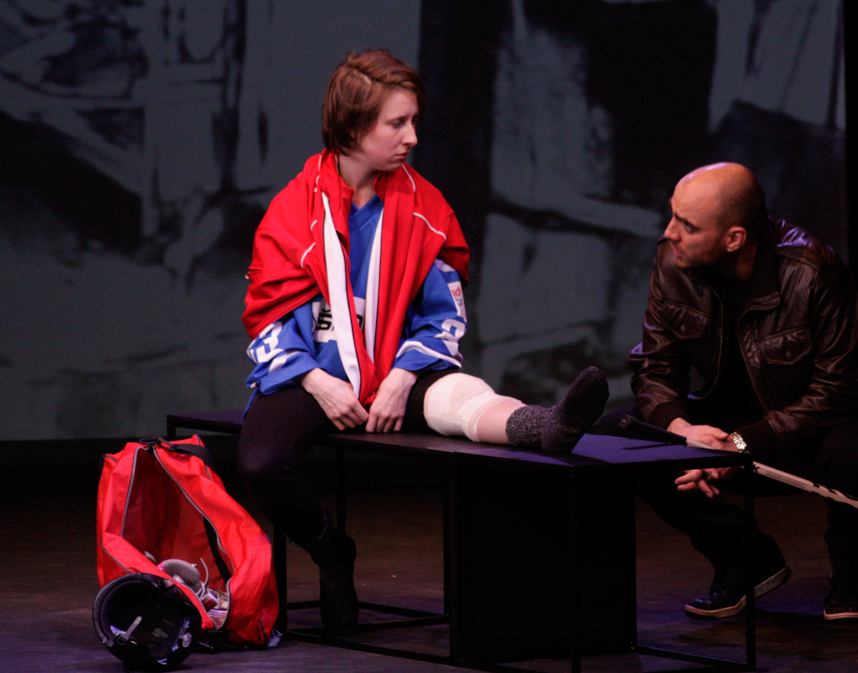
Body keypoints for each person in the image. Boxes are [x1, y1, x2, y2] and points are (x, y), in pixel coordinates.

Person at [236, 50, 608, 635]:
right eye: (397, 123)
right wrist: (317, 380)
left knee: (461, 395)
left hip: (399, 376)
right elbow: (267, 316)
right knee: (260, 464)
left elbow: (443, 318)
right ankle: (331, 549)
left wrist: (403, 376)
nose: (412, 137)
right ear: (353, 128)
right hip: (314, 377)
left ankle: (544, 426)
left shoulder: (425, 207)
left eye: (414, 121)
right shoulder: (292, 209)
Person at [623, 162, 858, 622]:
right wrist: (683, 430)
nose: (669, 234)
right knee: (623, 437)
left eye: (688, 225)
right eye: (672, 215)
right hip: (723, 428)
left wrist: (741, 443)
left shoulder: (813, 271)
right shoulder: (672, 263)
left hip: (803, 433)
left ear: (734, 238)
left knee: (857, 445)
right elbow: (655, 366)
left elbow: (839, 388)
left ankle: (852, 576)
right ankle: (746, 559)